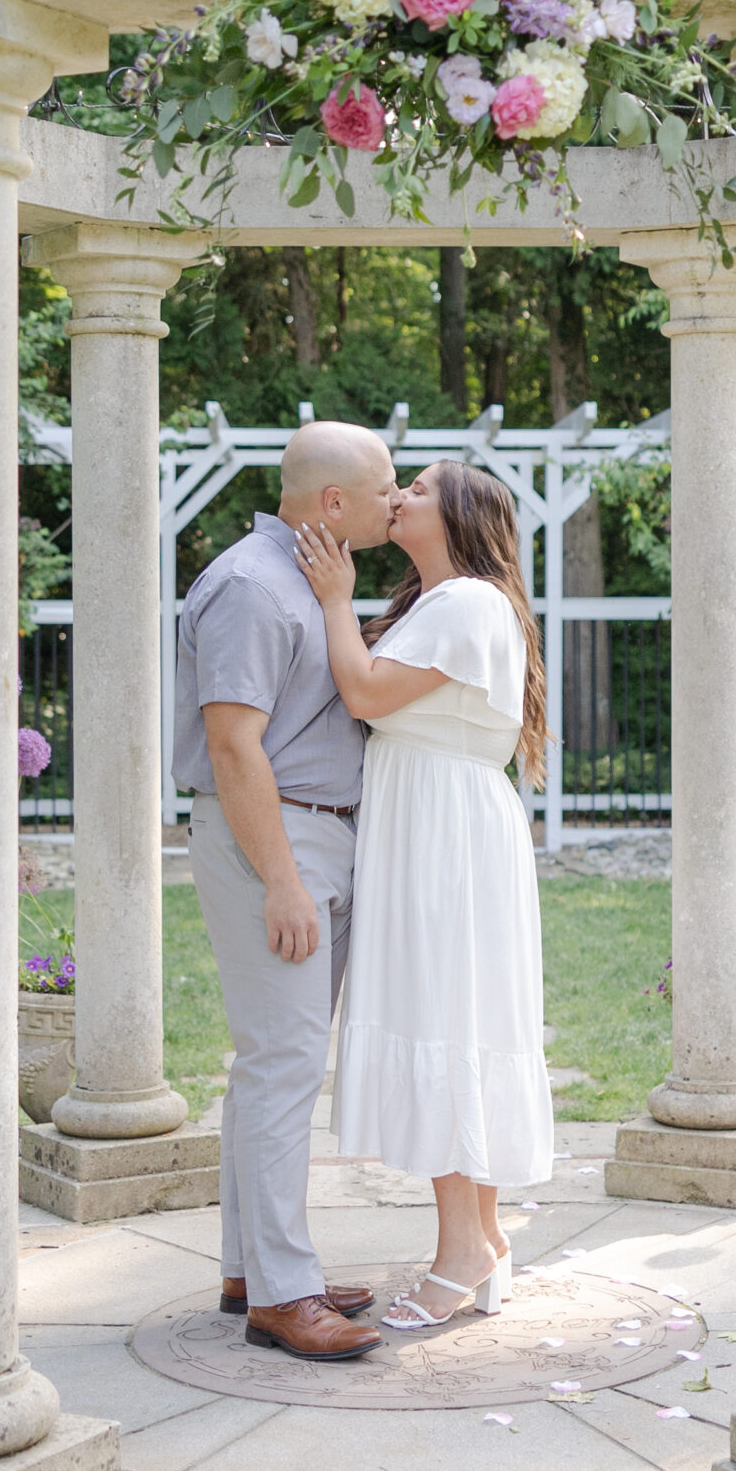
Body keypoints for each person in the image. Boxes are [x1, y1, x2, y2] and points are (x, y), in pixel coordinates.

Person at [294, 460, 555, 1328]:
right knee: (456, 1021)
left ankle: (461, 1251)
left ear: (457, 515)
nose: (398, 495)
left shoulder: (471, 602)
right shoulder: (439, 603)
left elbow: (365, 691)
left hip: (447, 834)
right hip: (433, 823)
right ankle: (479, 1236)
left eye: (418, 488)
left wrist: (335, 599)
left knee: (448, 1022)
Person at [175, 419, 400, 1360]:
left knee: (274, 1063)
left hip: (323, 832)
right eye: (387, 488)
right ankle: (281, 1294)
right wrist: (282, 881)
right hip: (278, 840)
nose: (400, 501)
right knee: (283, 1063)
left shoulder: (313, 580)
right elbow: (232, 744)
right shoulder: (250, 586)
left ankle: (252, 1269)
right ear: (335, 502)